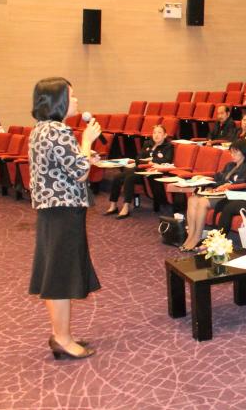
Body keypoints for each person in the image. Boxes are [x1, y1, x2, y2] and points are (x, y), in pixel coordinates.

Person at [29, 77, 102, 360]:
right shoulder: (58, 130)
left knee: (55, 273)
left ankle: (62, 333)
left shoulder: (41, 128)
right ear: (57, 100)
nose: (76, 100)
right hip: (63, 211)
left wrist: (85, 154)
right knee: (61, 275)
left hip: (51, 211)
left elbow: (62, 167)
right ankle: (62, 338)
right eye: (71, 96)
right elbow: (80, 173)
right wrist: (87, 141)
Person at [180, 139, 246, 251]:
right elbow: (218, 178)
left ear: (244, 152)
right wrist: (205, 180)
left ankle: (197, 237)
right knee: (192, 199)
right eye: (231, 152)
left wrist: (227, 186)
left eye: (235, 152)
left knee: (202, 202)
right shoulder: (230, 165)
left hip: (232, 196)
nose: (232, 155)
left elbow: (243, 183)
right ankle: (190, 236)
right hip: (219, 193)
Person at [104, 124, 173, 219]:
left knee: (129, 177)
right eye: (154, 133)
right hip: (139, 170)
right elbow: (138, 159)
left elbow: (167, 160)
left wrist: (150, 160)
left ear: (165, 135)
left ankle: (126, 206)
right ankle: (113, 205)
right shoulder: (147, 143)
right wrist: (149, 161)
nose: (156, 135)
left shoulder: (168, 146)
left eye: (159, 132)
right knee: (117, 177)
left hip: (149, 175)